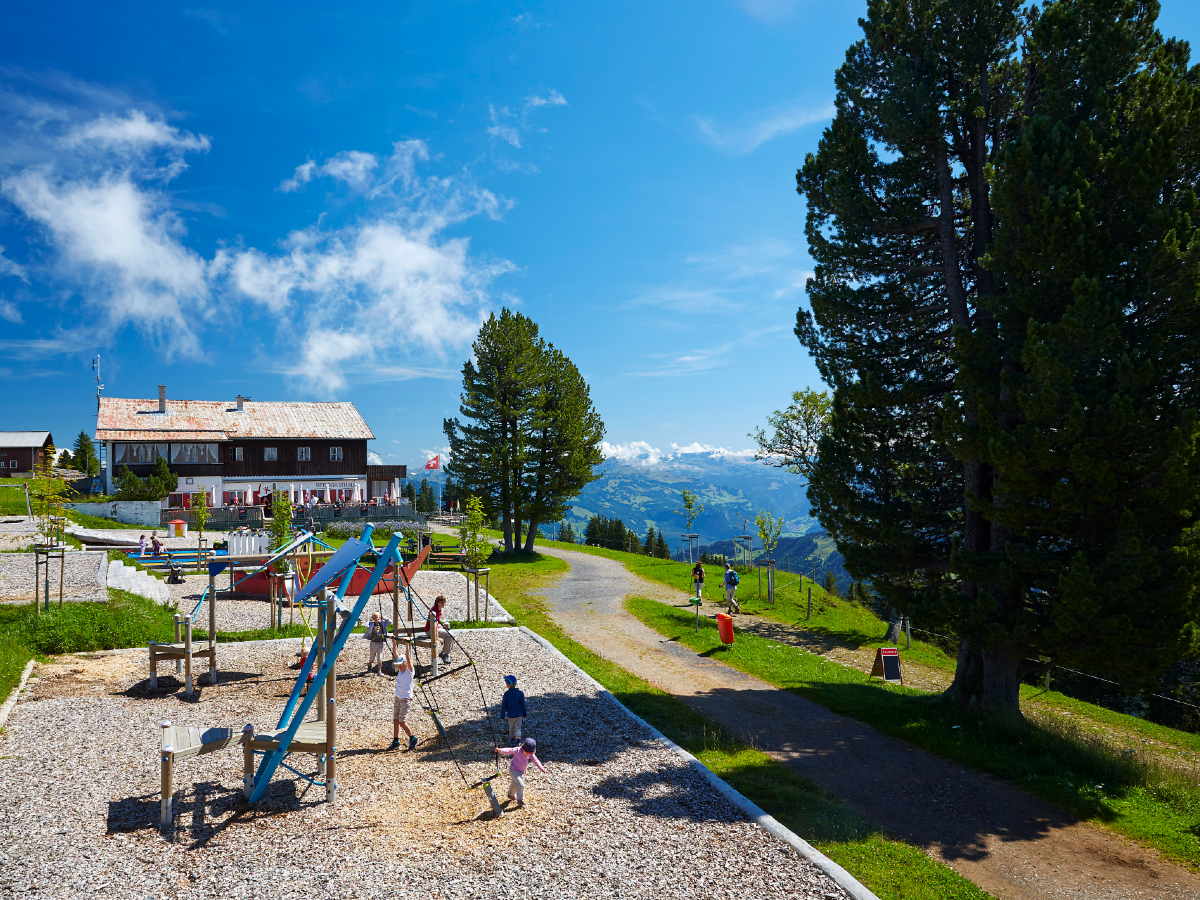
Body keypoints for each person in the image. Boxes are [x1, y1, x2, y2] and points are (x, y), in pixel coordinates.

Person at [495, 737, 545, 809]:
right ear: (523, 749)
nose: (528, 754)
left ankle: (510, 794)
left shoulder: (530, 754)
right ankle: (520, 799)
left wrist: (541, 768)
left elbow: (535, 760)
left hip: (520, 771)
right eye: (527, 752)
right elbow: (509, 750)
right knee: (520, 784)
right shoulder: (517, 750)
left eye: (529, 753)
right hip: (513, 770)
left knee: (515, 782)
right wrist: (500, 750)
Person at [388, 641, 419, 751]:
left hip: (406, 699)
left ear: (405, 664)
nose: (399, 667)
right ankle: (396, 741)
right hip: (398, 697)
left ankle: (412, 738)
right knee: (395, 720)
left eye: (401, 665)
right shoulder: (400, 671)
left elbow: (408, 657)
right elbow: (396, 654)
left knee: (402, 721)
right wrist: (394, 641)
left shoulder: (409, 671)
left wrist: (407, 644)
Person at [426, 595, 454, 663]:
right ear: (438, 603)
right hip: (430, 630)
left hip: (434, 629)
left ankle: (445, 653)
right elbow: (434, 624)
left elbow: (436, 623)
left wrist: (440, 626)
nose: (443, 604)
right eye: (442, 602)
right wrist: (437, 637)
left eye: (444, 602)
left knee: (451, 634)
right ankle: (444, 653)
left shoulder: (439, 609)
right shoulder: (434, 610)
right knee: (450, 635)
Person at [499, 675, 527, 741]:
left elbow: (503, 706)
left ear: (507, 684)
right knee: (518, 728)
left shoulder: (506, 694)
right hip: (518, 714)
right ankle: (517, 742)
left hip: (510, 715)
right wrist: (525, 714)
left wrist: (502, 716)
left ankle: (511, 740)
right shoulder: (520, 693)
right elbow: (523, 705)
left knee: (511, 727)